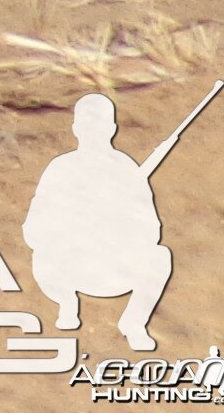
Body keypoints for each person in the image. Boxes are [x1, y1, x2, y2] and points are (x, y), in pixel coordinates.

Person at [24, 92, 179, 352]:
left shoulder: (126, 170)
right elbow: (34, 227)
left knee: (160, 256)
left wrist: (116, 224)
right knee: (44, 254)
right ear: (76, 128)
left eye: (98, 124)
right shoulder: (60, 168)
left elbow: (151, 230)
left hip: (114, 267)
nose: (92, 131)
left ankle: (134, 323)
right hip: (68, 268)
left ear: (111, 128)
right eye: (87, 124)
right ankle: (66, 303)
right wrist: (72, 227)